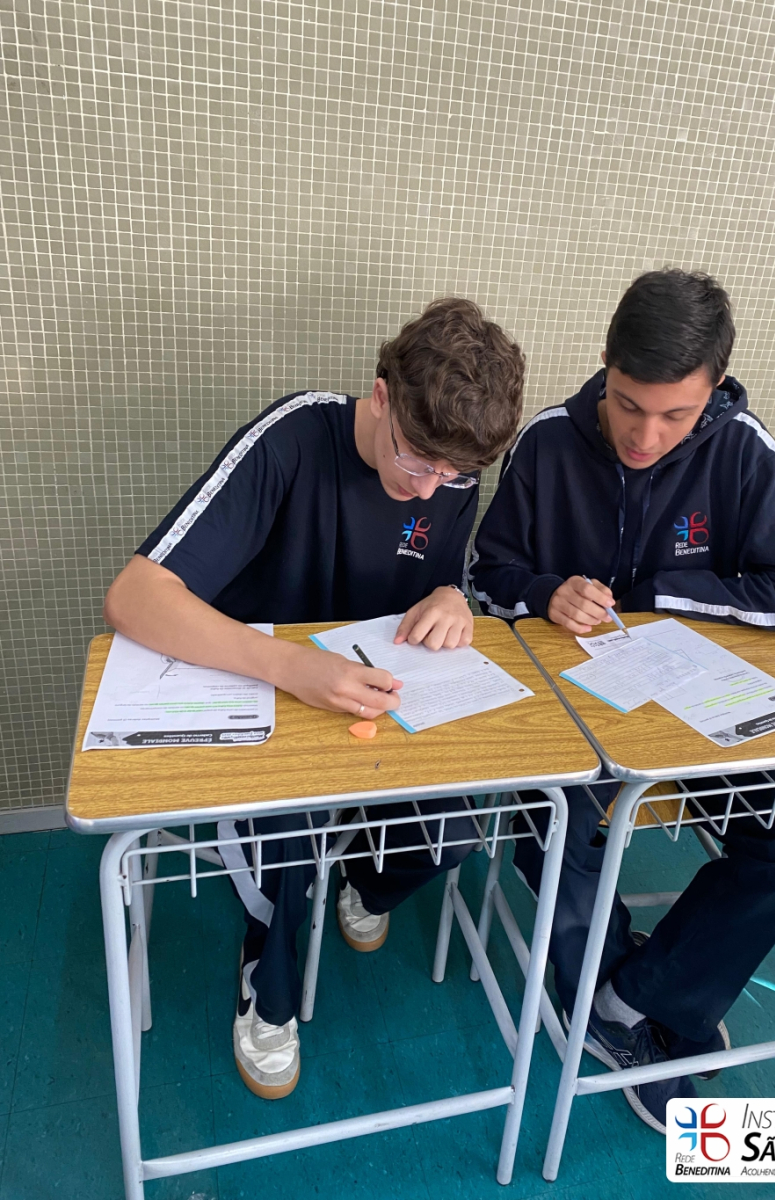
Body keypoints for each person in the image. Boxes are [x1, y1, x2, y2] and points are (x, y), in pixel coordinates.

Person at [104, 298, 525, 1099]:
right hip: (266, 695)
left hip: (371, 701)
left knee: (458, 827)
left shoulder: (449, 470)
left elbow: (440, 570)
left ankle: (363, 880)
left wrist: (452, 595)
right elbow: (134, 598)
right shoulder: (293, 439)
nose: (430, 491)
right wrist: (292, 669)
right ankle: (267, 996)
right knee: (290, 853)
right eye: (417, 463)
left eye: (452, 476)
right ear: (381, 397)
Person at [469, 268, 775, 1133]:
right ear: (606, 364)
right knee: (562, 839)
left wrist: (660, 598)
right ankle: (621, 1001)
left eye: (675, 415)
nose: (646, 434)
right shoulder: (548, 444)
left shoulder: (743, 448)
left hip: (696, 710)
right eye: (629, 405)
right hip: (566, 721)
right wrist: (545, 593)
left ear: (715, 389)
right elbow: (484, 578)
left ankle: (631, 999)